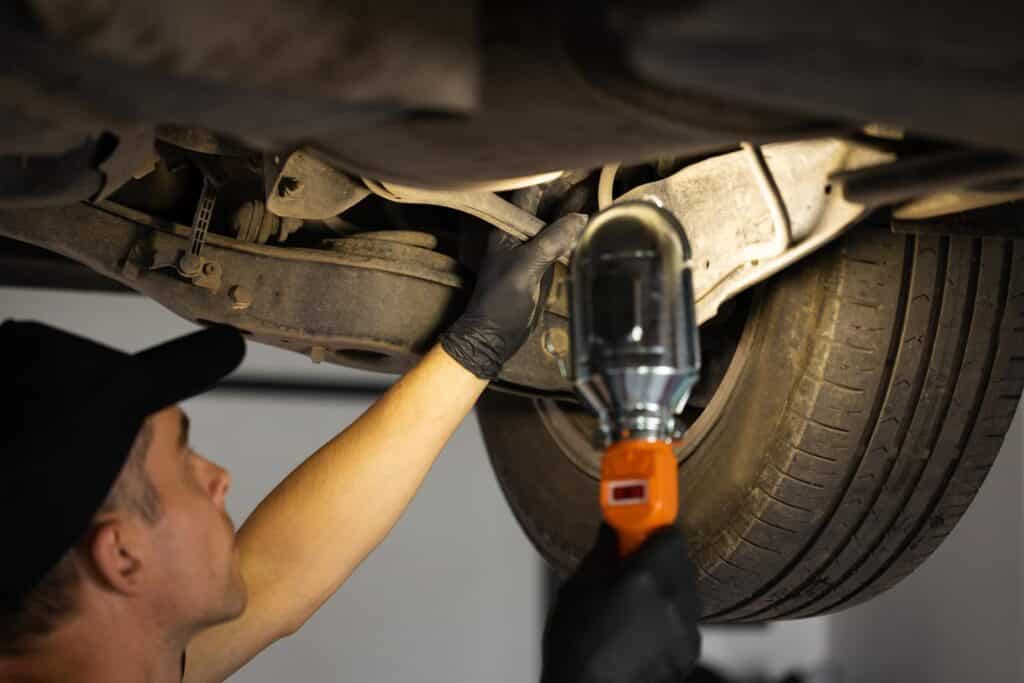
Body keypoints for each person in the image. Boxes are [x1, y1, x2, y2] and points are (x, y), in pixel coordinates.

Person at [0, 216, 701, 683]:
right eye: (183, 461)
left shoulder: (114, 656)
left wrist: (473, 351)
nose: (218, 477)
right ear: (120, 555)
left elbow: (274, 581)